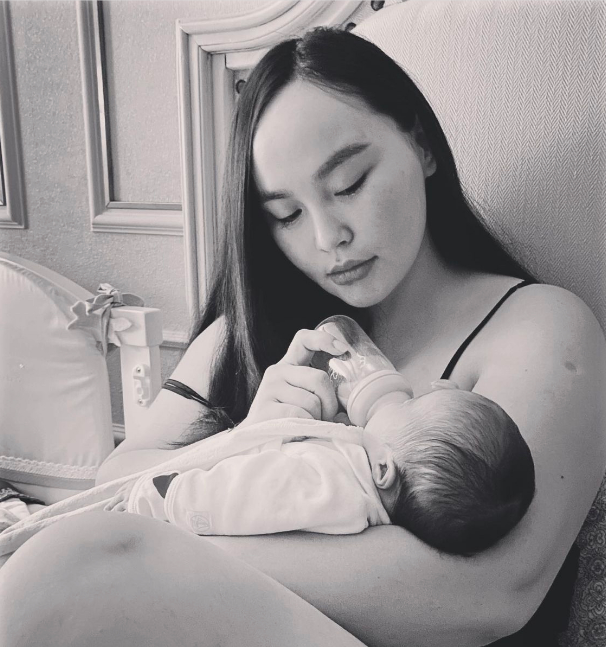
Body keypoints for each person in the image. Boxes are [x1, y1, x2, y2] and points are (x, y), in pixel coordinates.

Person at [1, 26, 604, 647]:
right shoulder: (245, 333)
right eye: (285, 214)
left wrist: (157, 547)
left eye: (349, 185)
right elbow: (114, 482)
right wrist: (246, 440)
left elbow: (488, 593)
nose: (326, 238)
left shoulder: (538, 326)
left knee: (82, 564)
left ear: (421, 144)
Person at [106, 380, 535, 558]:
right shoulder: (354, 481)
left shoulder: (332, 485)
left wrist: (166, 497)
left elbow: (248, 494)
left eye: (411, 404)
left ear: (383, 467)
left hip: (168, 516)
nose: (408, 391)